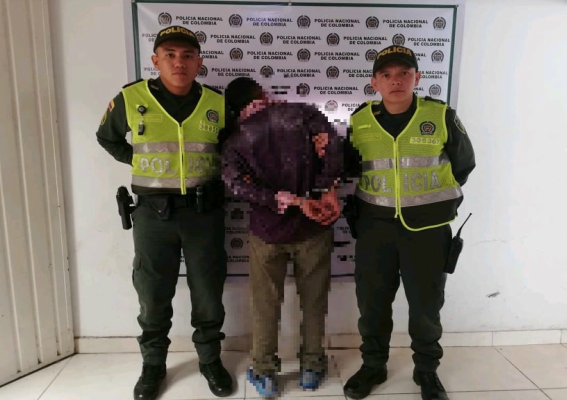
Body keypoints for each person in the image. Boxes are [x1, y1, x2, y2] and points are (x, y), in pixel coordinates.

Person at [96, 25, 233, 400]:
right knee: (153, 296)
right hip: (152, 216)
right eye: (170, 55)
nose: (179, 62)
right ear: (156, 61)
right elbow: (107, 137)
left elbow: (233, 151)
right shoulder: (131, 98)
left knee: (208, 294)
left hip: (203, 214)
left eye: (187, 56)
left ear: (199, 62)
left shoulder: (216, 104)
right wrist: (138, 160)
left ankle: (210, 360)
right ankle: (153, 364)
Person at [342, 45, 476, 400]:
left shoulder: (441, 116)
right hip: (375, 229)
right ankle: (373, 365)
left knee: (426, 307)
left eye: (404, 73)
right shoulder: (360, 121)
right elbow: (349, 167)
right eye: (386, 75)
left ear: (417, 78)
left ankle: (426, 370)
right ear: (375, 83)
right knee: (372, 304)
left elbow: (463, 165)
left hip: (428, 231)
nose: (396, 81)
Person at [221, 77, 342, 397]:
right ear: (262, 93)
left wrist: (287, 200)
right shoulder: (303, 114)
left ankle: (264, 372)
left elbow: (236, 185)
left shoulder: (235, 140)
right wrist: (328, 190)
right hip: (314, 227)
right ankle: (312, 367)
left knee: (265, 305)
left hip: (267, 232)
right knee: (314, 302)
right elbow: (332, 146)